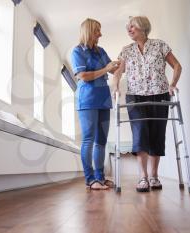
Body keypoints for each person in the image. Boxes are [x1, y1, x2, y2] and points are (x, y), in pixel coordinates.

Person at [113, 16, 182, 192]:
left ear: (143, 28)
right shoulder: (126, 50)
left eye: (132, 26)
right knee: (140, 131)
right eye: (127, 27)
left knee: (157, 132)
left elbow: (177, 66)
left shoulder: (160, 45)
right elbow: (118, 72)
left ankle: (154, 176)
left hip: (160, 94)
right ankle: (143, 177)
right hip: (135, 97)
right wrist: (115, 87)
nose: (129, 29)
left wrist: (172, 84)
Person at [71, 18, 120, 190]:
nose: (100, 34)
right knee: (89, 139)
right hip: (88, 100)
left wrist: (120, 63)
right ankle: (90, 179)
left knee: (102, 141)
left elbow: (112, 69)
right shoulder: (77, 51)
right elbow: (83, 76)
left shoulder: (101, 51)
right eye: (97, 30)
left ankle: (100, 177)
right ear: (90, 31)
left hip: (104, 99)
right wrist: (106, 69)